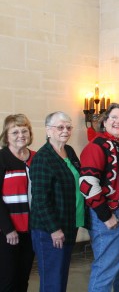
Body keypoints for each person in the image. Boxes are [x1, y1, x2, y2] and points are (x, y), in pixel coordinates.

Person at [80, 103, 119, 292]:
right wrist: (105, 215)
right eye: (114, 118)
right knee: (106, 269)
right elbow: (87, 185)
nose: (118, 122)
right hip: (109, 216)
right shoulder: (96, 146)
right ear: (104, 122)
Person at [30, 112, 85, 292]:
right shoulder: (42, 158)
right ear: (48, 130)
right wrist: (54, 229)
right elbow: (40, 199)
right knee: (52, 281)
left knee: (61, 276)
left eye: (68, 127)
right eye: (60, 127)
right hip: (50, 230)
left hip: (69, 224)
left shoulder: (68, 151)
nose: (65, 131)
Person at [0, 114, 35, 291]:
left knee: (23, 278)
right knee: (7, 281)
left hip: (32, 229)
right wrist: (8, 229)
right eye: (15, 132)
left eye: (24, 130)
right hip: (7, 231)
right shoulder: (2, 158)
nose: (20, 135)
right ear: (6, 136)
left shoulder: (36, 158)